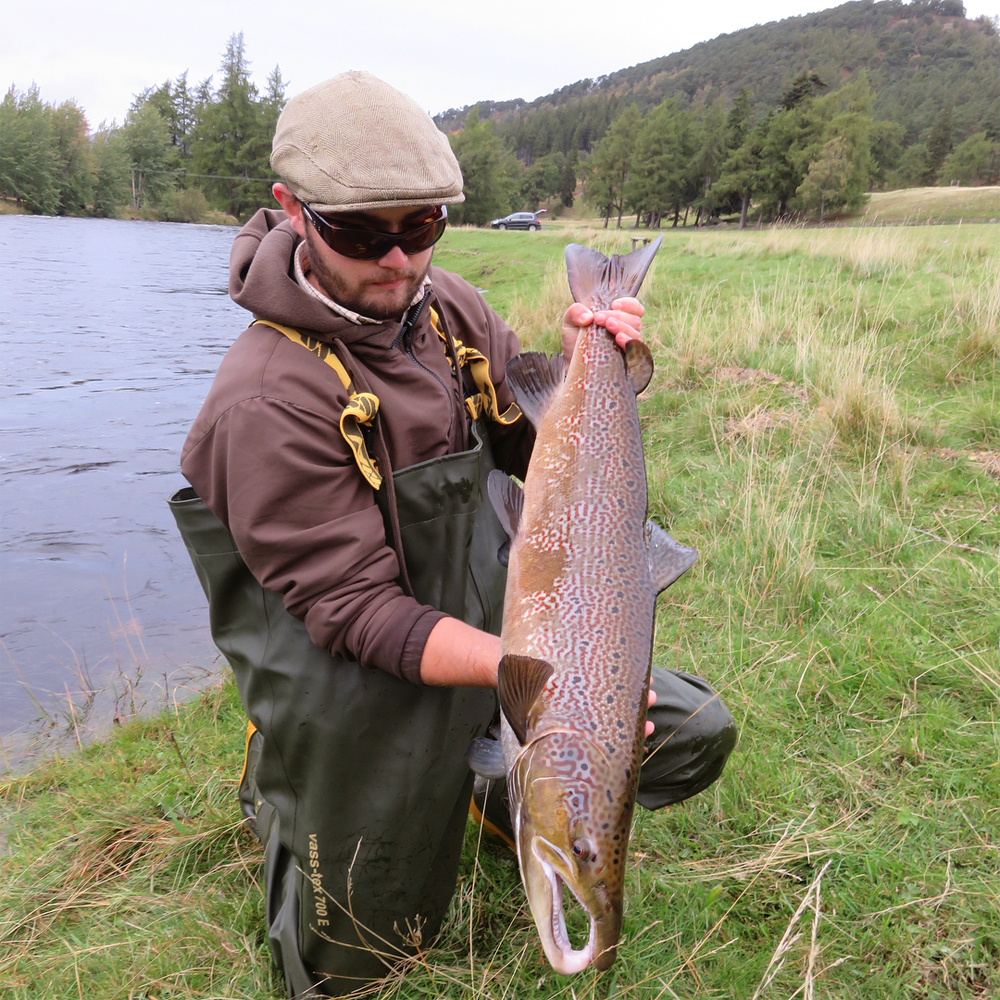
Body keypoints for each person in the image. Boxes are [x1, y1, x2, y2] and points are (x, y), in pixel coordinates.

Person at [170, 71, 736, 999]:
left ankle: (486, 785)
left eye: (422, 226)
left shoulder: (451, 315)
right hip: (358, 691)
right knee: (359, 962)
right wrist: (546, 682)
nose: (398, 260)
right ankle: (297, 785)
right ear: (292, 211)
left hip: (494, 650)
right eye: (363, 233)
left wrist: (605, 367)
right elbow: (357, 613)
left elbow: (532, 441)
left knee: (688, 731)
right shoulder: (266, 400)